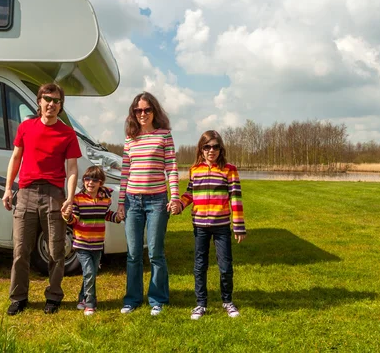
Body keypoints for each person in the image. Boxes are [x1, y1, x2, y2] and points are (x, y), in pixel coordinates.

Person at [2, 82, 82, 316]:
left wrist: (69, 197)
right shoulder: (26, 127)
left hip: (54, 195)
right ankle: (19, 297)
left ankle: (54, 296)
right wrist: (8, 189)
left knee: (57, 251)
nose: (52, 104)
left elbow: (73, 168)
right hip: (25, 194)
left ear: (61, 105)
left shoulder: (68, 133)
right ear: (39, 101)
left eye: (57, 101)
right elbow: (15, 158)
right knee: (20, 251)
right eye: (47, 99)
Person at [116, 92, 181, 316]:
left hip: (157, 201)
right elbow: (125, 173)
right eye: (138, 110)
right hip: (132, 202)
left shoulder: (164, 136)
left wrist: (175, 196)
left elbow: (171, 168)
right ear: (133, 114)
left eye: (147, 110)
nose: (142, 114)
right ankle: (132, 299)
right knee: (133, 254)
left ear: (155, 111)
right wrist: (121, 202)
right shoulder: (130, 139)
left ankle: (157, 299)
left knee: (155, 252)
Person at [171, 130, 246, 319]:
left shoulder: (230, 169)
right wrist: (180, 204)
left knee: (225, 266)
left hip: (221, 225)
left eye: (215, 147)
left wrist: (238, 225)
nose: (211, 151)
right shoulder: (194, 169)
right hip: (200, 226)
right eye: (207, 147)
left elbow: (235, 198)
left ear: (221, 149)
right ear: (201, 150)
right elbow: (190, 194)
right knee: (199, 265)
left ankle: (227, 301)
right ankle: (200, 303)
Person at [62, 166, 121, 316]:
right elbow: (74, 220)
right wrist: (67, 216)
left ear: (100, 183)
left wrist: (118, 217)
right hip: (81, 243)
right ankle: (90, 303)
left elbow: (106, 215)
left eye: (95, 180)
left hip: (97, 244)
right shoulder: (77, 199)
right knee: (88, 272)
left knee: (92, 273)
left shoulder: (105, 198)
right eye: (87, 179)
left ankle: (82, 298)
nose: (90, 183)